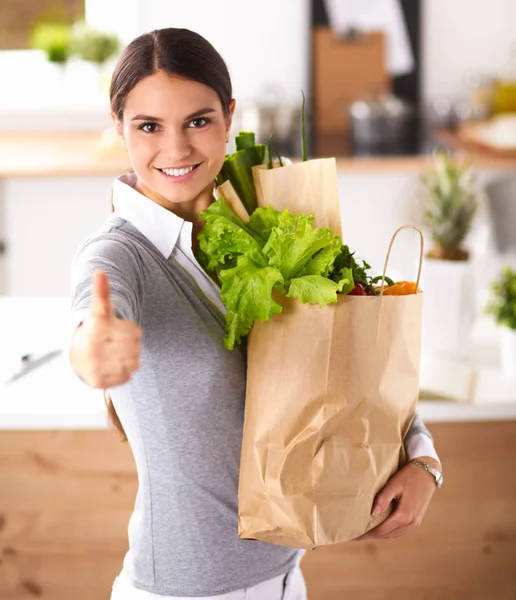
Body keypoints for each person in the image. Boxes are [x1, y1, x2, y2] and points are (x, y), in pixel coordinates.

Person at [69, 27, 442, 600]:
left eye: (198, 120)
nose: (176, 149)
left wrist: (422, 459)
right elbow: (93, 318)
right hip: (182, 590)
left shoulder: (274, 216)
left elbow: (357, 342)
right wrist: (93, 349)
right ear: (118, 126)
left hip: (289, 578)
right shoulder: (120, 255)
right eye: (149, 126)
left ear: (229, 116)